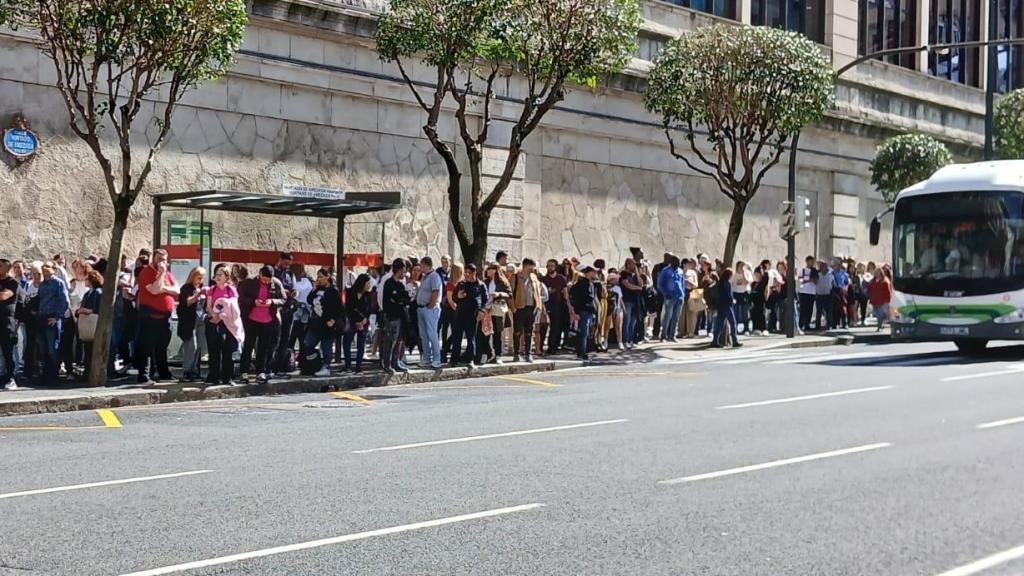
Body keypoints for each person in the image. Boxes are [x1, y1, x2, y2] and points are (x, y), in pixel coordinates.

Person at [135, 249, 178, 383]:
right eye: (159, 259)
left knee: (162, 347)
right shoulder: (146, 272)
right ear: (154, 258)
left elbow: (177, 290)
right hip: (150, 316)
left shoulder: (169, 275)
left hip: (165, 317)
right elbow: (154, 290)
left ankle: (164, 373)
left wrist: (164, 288)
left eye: (164, 260)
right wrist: (161, 274)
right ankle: (144, 375)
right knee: (147, 347)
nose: (162, 262)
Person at [240, 265, 286, 382]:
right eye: (264, 279)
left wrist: (272, 302)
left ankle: (260, 371)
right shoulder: (249, 283)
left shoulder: (276, 283)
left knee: (263, 347)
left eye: (269, 280)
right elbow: (241, 297)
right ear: (260, 274)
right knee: (248, 345)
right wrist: (253, 302)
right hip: (251, 319)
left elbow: (283, 299)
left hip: (268, 320)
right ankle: (244, 371)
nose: (267, 282)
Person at [204, 266, 241, 386]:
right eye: (217, 274)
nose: (218, 277)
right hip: (214, 322)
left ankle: (227, 377)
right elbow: (208, 306)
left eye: (221, 274)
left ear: (226, 277)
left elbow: (234, 308)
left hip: (227, 323)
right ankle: (214, 377)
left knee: (227, 351)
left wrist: (221, 316)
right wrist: (214, 315)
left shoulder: (231, 290)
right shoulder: (212, 289)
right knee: (214, 350)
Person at [37, 262, 69, 387]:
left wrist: (57, 317)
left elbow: (64, 301)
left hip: (52, 318)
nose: (44, 269)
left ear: (54, 270)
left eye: (47, 266)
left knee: (53, 349)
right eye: (43, 267)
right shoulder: (42, 285)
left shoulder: (58, 283)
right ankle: (46, 375)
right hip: (42, 318)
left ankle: (54, 376)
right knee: (43, 349)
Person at [305, 268, 341, 377]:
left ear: (327, 277)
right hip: (315, 321)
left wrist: (333, 320)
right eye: (318, 277)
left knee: (326, 345)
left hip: (327, 322)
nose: (319, 279)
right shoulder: (317, 289)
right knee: (308, 343)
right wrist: (313, 288)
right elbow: (309, 300)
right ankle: (316, 363)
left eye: (321, 277)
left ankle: (326, 366)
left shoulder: (333, 290)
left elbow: (338, 307)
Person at [451, 263, 487, 367]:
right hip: (460, 314)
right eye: (465, 273)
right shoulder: (461, 284)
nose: (467, 275)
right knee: (457, 338)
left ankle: (470, 359)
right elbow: (454, 297)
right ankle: (454, 359)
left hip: (473, 315)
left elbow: (486, 300)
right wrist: (458, 296)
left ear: (474, 273)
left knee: (471, 338)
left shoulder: (480, 285)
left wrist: (482, 311)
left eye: (469, 273)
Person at [177, 267, 207, 382]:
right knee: (191, 346)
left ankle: (194, 371)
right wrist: (198, 294)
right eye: (199, 277)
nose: (200, 280)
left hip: (200, 320)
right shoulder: (186, 288)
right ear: (193, 276)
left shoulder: (200, 288)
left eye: (202, 278)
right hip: (189, 321)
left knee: (199, 346)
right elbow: (188, 302)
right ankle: (186, 371)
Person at [76, 270, 107, 381]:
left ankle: (90, 373)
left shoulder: (97, 292)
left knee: (92, 350)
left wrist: (89, 310)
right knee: (88, 350)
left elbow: (98, 309)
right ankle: (87, 372)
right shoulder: (88, 293)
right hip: (87, 324)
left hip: (93, 324)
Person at [380, 259, 411, 373]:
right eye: (403, 270)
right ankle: (386, 364)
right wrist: (399, 300)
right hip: (392, 316)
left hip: (401, 316)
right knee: (390, 341)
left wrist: (401, 300)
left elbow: (405, 299)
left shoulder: (400, 285)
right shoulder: (389, 283)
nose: (404, 273)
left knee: (399, 341)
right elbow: (396, 299)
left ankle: (395, 362)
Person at [511, 258, 542, 363]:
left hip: (531, 307)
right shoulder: (515, 277)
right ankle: (516, 353)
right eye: (532, 266)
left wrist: (538, 306)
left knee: (529, 331)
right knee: (518, 331)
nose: (533, 268)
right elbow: (510, 293)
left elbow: (537, 292)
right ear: (526, 266)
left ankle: (528, 353)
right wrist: (513, 308)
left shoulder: (534, 277)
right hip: (519, 307)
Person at [415, 256, 444, 369]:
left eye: (421, 265)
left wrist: (430, 305)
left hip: (430, 309)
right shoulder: (424, 277)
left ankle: (437, 359)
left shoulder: (434, 276)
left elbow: (435, 292)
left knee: (432, 334)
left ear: (427, 265)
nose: (420, 267)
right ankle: (427, 358)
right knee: (424, 335)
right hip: (421, 308)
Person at [273, 252, 297, 373]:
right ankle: (272, 364)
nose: (287, 266)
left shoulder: (290, 273)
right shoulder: (273, 273)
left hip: (288, 308)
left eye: (289, 264)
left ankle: (281, 365)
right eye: (285, 263)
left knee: (285, 338)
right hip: (277, 310)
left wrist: (293, 292)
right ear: (280, 260)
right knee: (275, 338)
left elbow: (294, 286)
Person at [343, 274, 373, 372]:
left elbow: (369, 309)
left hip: (363, 322)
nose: (368, 285)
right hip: (352, 321)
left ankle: (358, 366)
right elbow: (349, 308)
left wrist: (364, 320)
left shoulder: (368, 295)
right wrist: (356, 321)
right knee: (347, 342)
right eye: (367, 283)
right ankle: (348, 365)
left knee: (361, 344)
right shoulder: (350, 292)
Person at [570, 265, 598, 361]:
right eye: (593, 272)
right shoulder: (581, 284)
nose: (595, 274)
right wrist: (577, 312)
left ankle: (584, 351)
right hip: (583, 310)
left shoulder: (591, 284)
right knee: (583, 332)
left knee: (587, 332)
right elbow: (577, 299)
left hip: (589, 310)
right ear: (588, 273)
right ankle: (582, 352)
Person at [0, 260, 20, 390]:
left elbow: (3, 296)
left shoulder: (12, 283)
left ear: (7, 268)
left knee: (8, 350)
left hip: (7, 321)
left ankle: (12, 377)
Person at [485, 264, 512, 363]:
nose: (487, 271)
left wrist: (499, 294)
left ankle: (498, 355)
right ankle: (489, 353)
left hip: (498, 308)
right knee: (486, 332)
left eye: (489, 269)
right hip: (487, 308)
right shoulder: (486, 282)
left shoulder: (502, 282)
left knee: (497, 332)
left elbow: (509, 294)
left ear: (495, 270)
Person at [541, 259, 568, 355]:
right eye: (548, 266)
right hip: (546, 305)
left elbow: (565, 292)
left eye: (552, 266)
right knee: (544, 326)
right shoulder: (543, 279)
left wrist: (568, 304)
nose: (550, 267)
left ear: (555, 267)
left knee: (556, 327)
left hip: (558, 305)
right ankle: (540, 346)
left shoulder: (561, 278)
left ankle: (552, 347)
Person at [657, 255, 684, 342]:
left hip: (679, 297)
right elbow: (660, 284)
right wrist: (665, 293)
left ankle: (672, 335)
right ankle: (663, 336)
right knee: (667, 316)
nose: (679, 263)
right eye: (677, 262)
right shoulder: (665, 271)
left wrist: (683, 294)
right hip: (669, 296)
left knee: (676, 317)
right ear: (672, 262)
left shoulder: (680, 271)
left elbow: (682, 283)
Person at [712, 268, 742, 348]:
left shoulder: (720, 283)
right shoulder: (727, 283)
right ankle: (735, 341)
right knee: (733, 323)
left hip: (721, 306)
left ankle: (715, 340)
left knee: (720, 324)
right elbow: (728, 295)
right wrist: (732, 300)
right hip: (727, 306)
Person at [441, 263, 463, 364]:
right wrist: (457, 309)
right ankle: (444, 350)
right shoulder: (451, 284)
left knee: (456, 333)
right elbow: (450, 300)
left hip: (458, 310)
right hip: (451, 311)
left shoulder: (462, 282)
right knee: (454, 333)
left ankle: (448, 350)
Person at [620, 259, 643, 350]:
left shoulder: (634, 275)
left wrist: (637, 273)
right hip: (627, 300)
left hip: (635, 301)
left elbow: (641, 283)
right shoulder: (623, 274)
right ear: (628, 265)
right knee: (627, 321)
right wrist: (638, 288)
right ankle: (625, 340)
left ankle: (630, 340)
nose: (634, 266)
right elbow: (627, 285)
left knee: (633, 322)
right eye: (633, 265)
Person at [732, 261, 752, 335]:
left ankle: (746, 328)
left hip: (744, 293)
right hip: (736, 293)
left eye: (742, 266)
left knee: (745, 312)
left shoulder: (747, 273)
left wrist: (743, 274)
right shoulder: (734, 275)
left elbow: (748, 282)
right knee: (736, 312)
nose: (741, 268)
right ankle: (735, 328)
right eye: (740, 266)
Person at [798, 255, 817, 332]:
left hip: (811, 292)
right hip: (803, 292)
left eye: (812, 262)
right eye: (810, 261)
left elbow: (816, 280)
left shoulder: (814, 271)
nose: (811, 263)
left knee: (809, 309)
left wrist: (808, 279)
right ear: (807, 262)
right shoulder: (803, 270)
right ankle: (800, 324)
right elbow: (801, 280)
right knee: (803, 309)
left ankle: (807, 324)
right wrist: (809, 279)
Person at [814, 261, 835, 330]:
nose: (823, 269)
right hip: (819, 295)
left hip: (828, 295)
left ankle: (829, 325)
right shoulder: (818, 275)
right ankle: (817, 325)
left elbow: (833, 284)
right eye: (822, 267)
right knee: (819, 311)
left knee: (828, 311)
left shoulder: (830, 275)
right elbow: (815, 283)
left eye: (825, 267)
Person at [750, 267, 768, 335]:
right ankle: (755, 328)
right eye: (756, 274)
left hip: (761, 300)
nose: (757, 276)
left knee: (761, 314)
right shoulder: (753, 284)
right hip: (754, 301)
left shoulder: (763, 283)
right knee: (754, 314)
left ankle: (763, 328)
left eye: (758, 274)